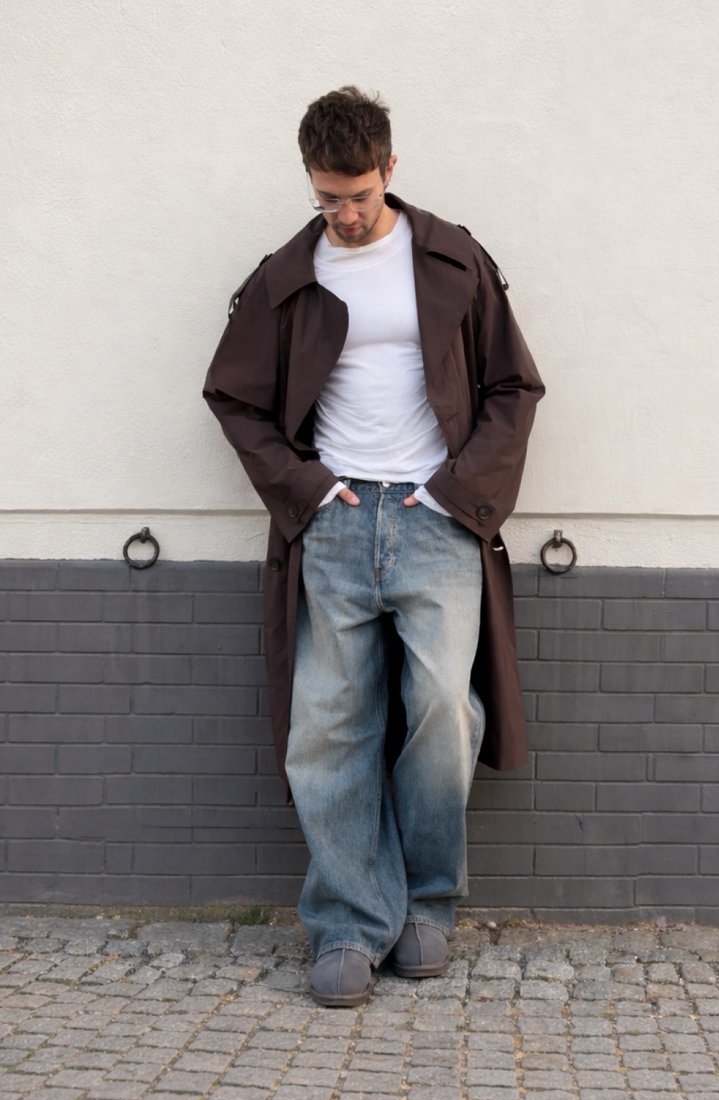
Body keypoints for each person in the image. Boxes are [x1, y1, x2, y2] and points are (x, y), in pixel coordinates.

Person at [204, 86, 544, 1007]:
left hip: (438, 521)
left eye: (357, 195)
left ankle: (427, 903)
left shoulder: (453, 258)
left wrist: (457, 493)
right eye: (327, 198)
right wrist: (311, 490)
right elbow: (232, 394)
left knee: (443, 711)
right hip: (337, 522)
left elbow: (514, 388)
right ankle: (349, 922)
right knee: (327, 726)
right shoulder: (288, 275)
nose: (345, 214)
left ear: (390, 168)